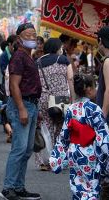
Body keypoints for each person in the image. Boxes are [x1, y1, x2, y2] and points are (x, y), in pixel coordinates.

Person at [49, 73, 109, 200]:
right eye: (95, 87)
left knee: (77, 186)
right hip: (90, 153)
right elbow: (102, 136)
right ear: (88, 89)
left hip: (74, 152)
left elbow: (64, 135)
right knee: (92, 188)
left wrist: (59, 155)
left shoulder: (71, 109)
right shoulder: (94, 109)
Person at [1, 23, 42, 200]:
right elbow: (14, 85)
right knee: (19, 149)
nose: (32, 38)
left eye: (34, 35)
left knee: (26, 150)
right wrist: (22, 109)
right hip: (22, 104)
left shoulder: (28, 56)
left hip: (31, 104)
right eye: (28, 35)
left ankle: (18, 187)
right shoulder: (18, 57)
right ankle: (8, 188)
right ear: (19, 39)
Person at [34, 38, 71, 171]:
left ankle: (45, 161)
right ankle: (59, 158)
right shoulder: (63, 60)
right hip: (61, 97)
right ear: (57, 48)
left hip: (43, 97)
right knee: (61, 128)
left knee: (46, 127)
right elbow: (70, 79)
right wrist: (73, 98)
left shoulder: (37, 62)